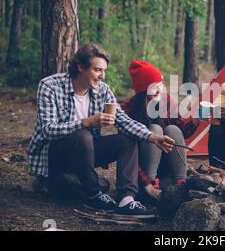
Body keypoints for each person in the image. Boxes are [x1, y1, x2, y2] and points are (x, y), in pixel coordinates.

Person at [28, 43, 174, 217]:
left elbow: (123, 121)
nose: (102, 76)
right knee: (83, 135)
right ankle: (93, 194)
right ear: (80, 66)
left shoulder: (102, 90)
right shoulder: (50, 86)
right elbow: (47, 130)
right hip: (56, 155)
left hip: (86, 154)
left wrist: (152, 137)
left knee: (126, 139)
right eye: (98, 70)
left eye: (104, 71)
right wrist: (87, 122)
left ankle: (126, 199)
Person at [120, 61, 200, 200]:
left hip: (166, 169)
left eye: (160, 84)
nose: (160, 89)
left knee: (172, 128)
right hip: (142, 173)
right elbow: (127, 153)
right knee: (155, 129)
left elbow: (182, 132)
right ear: (143, 90)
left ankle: (181, 182)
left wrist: (197, 119)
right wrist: (146, 183)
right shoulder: (128, 110)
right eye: (154, 86)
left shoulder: (165, 99)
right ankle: (151, 186)